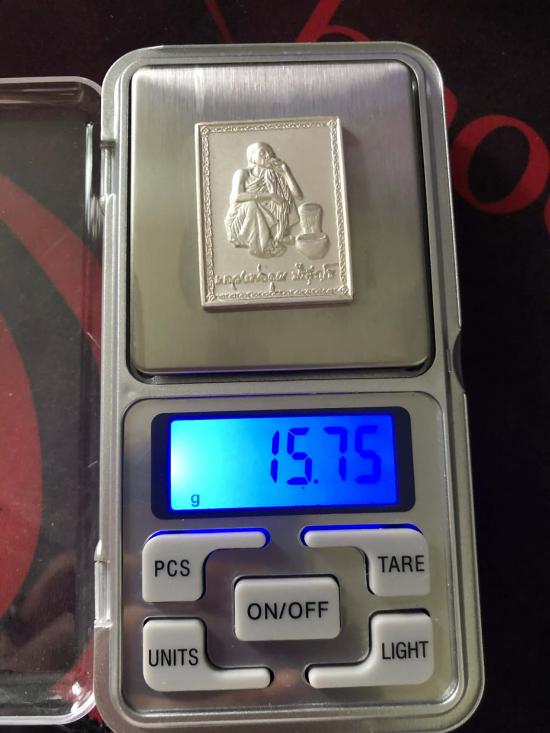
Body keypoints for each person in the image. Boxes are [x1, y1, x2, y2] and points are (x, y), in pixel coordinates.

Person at [224, 142, 303, 257]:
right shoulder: (243, 174)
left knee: (282, 197)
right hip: (241, 223)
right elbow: (237, 197)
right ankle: (262, 247)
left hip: (264, 218)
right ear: (251, 157)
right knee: (251, 204)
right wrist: (270, 196)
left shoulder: (272, 175)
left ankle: (278, 234)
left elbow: (298, 196)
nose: (267, 155)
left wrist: (285, 172)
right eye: (262, 153)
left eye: (269, 153)